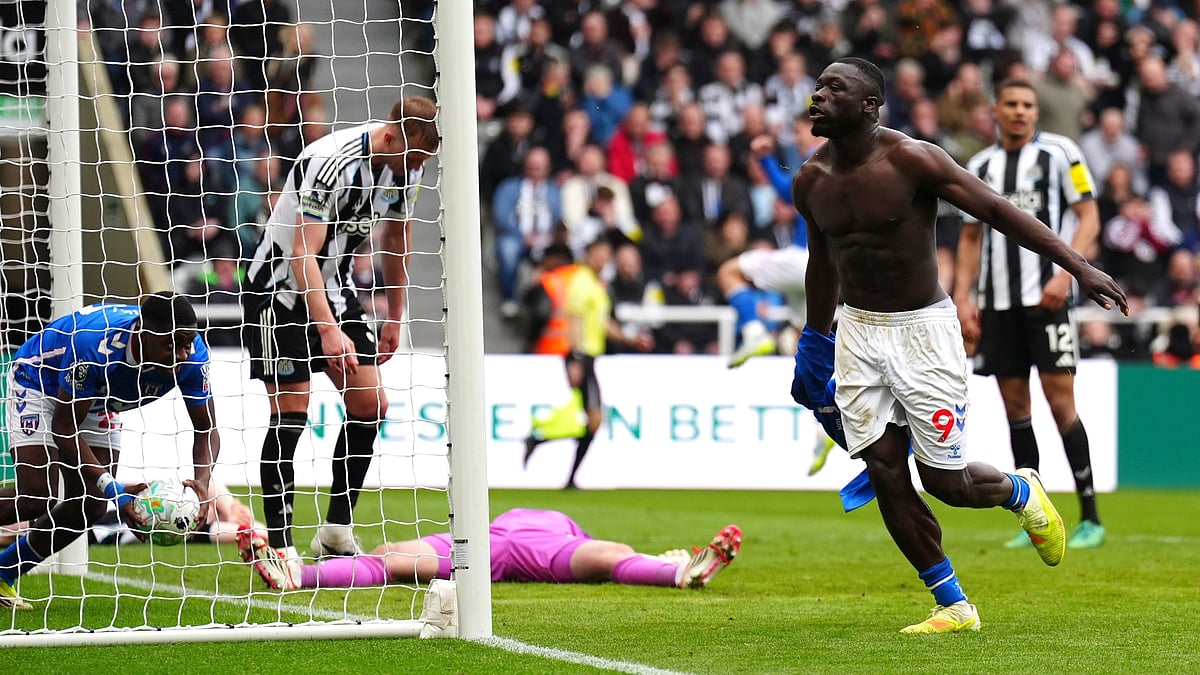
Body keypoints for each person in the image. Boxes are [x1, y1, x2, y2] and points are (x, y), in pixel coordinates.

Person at [794, 58, 1127, 634]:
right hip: (857, 332)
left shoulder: (912, 159)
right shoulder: (810, 180)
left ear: (869, 106)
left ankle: (1021, 488)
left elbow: (1000, 212)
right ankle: (952, 604)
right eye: (817, 86)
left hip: (925, 333)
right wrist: (814, 338)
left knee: (945, 483)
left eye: (833, 89)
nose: (817, 96)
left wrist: (1078, 268)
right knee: (885, 470)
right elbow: (822, 263)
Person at [241, 96, 438, 565]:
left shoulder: (406, 167)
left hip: (335, 286)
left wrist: (394, 313)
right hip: (279, 291)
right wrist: (328, 330)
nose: (416, 168)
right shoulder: (331, 163)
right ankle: (281, 545)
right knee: (292, 408)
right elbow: (299, 254)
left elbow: (396, 236)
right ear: (391, 136)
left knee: (371, 403)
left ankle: (335, 531)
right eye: (413, 157)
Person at [956, 79, 1111, 551]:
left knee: (1060, 401)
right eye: (1012, 104)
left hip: (1049, 299)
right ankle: (1037, 517)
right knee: (1015, 409)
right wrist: (963, 297)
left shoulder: (1062, 153)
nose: (1020, 112)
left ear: (1036, 111)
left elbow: (1089, 217)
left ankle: (1090, 517)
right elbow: (969, 238)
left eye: (1028, 105)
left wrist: (1067, 275)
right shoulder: (979, 165)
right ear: (995, 110)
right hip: (999, 306)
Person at [0, 293, 219, 609]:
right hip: (41, 381)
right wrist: (114, 488)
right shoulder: (94, 346)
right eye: (173, 345)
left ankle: (4, 572)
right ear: (142, 333)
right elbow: (64, 428)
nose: (183, 354)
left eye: (188, 343)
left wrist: (203, 482)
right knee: (37, 496)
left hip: (99, 397)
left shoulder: (192, 357)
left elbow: (207, 427)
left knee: (90, 506)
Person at [238, 508, 742, 593]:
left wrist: (665, 560)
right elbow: (619, 555)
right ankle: (296, 574)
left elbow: (618, 557)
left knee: (391, 561)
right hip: (492, 543)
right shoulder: (576, 537)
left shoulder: (574, 537)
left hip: (497, 545)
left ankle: (682, 574)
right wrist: (662, 558)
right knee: (390, 553)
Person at [522, 237, 653, 489]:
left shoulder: (594, 283)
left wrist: (630, 339)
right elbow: (573, 320)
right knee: (593, 420)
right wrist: (576, 358)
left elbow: (602, 323)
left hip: (588, 357)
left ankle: (547, 450)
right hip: (582, 356)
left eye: (607, 255)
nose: (604, 260)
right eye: (600, 254)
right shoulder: (582, 282)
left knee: (591, 420)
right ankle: (552, 455)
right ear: (589, 255)